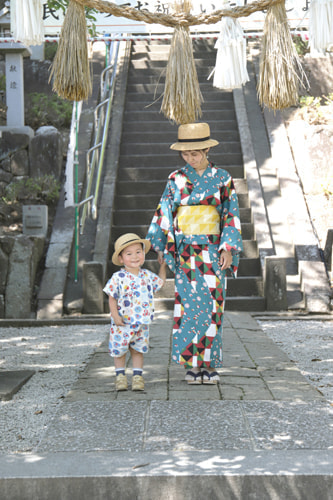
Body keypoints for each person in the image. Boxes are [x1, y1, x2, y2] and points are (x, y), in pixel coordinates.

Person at [146, 122, 243, 385]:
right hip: (186, 253)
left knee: (213, 307)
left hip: (212, 250)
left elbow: (230, 214)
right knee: (188, 309)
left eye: (196, 153)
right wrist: (164, 248)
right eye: (186, 154)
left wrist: (228, 248)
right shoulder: (176, 179)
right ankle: (192, 365)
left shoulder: (222, 178)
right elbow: (165, 213)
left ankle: (210, 364)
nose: (191, 158)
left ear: (207, 149)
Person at [103, 233, 167, 392]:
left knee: (138, 350)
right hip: (122, 323)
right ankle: (120, 377)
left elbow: (160, 283)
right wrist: (115, 316)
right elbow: (112, 298)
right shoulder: (118, 277)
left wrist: (163, 266)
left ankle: (138, 377)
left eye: (138, 252)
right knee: (120, 351)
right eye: (129, 253)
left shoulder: (146, 275)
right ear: (121, 258)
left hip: (142, 322)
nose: (134, 256)